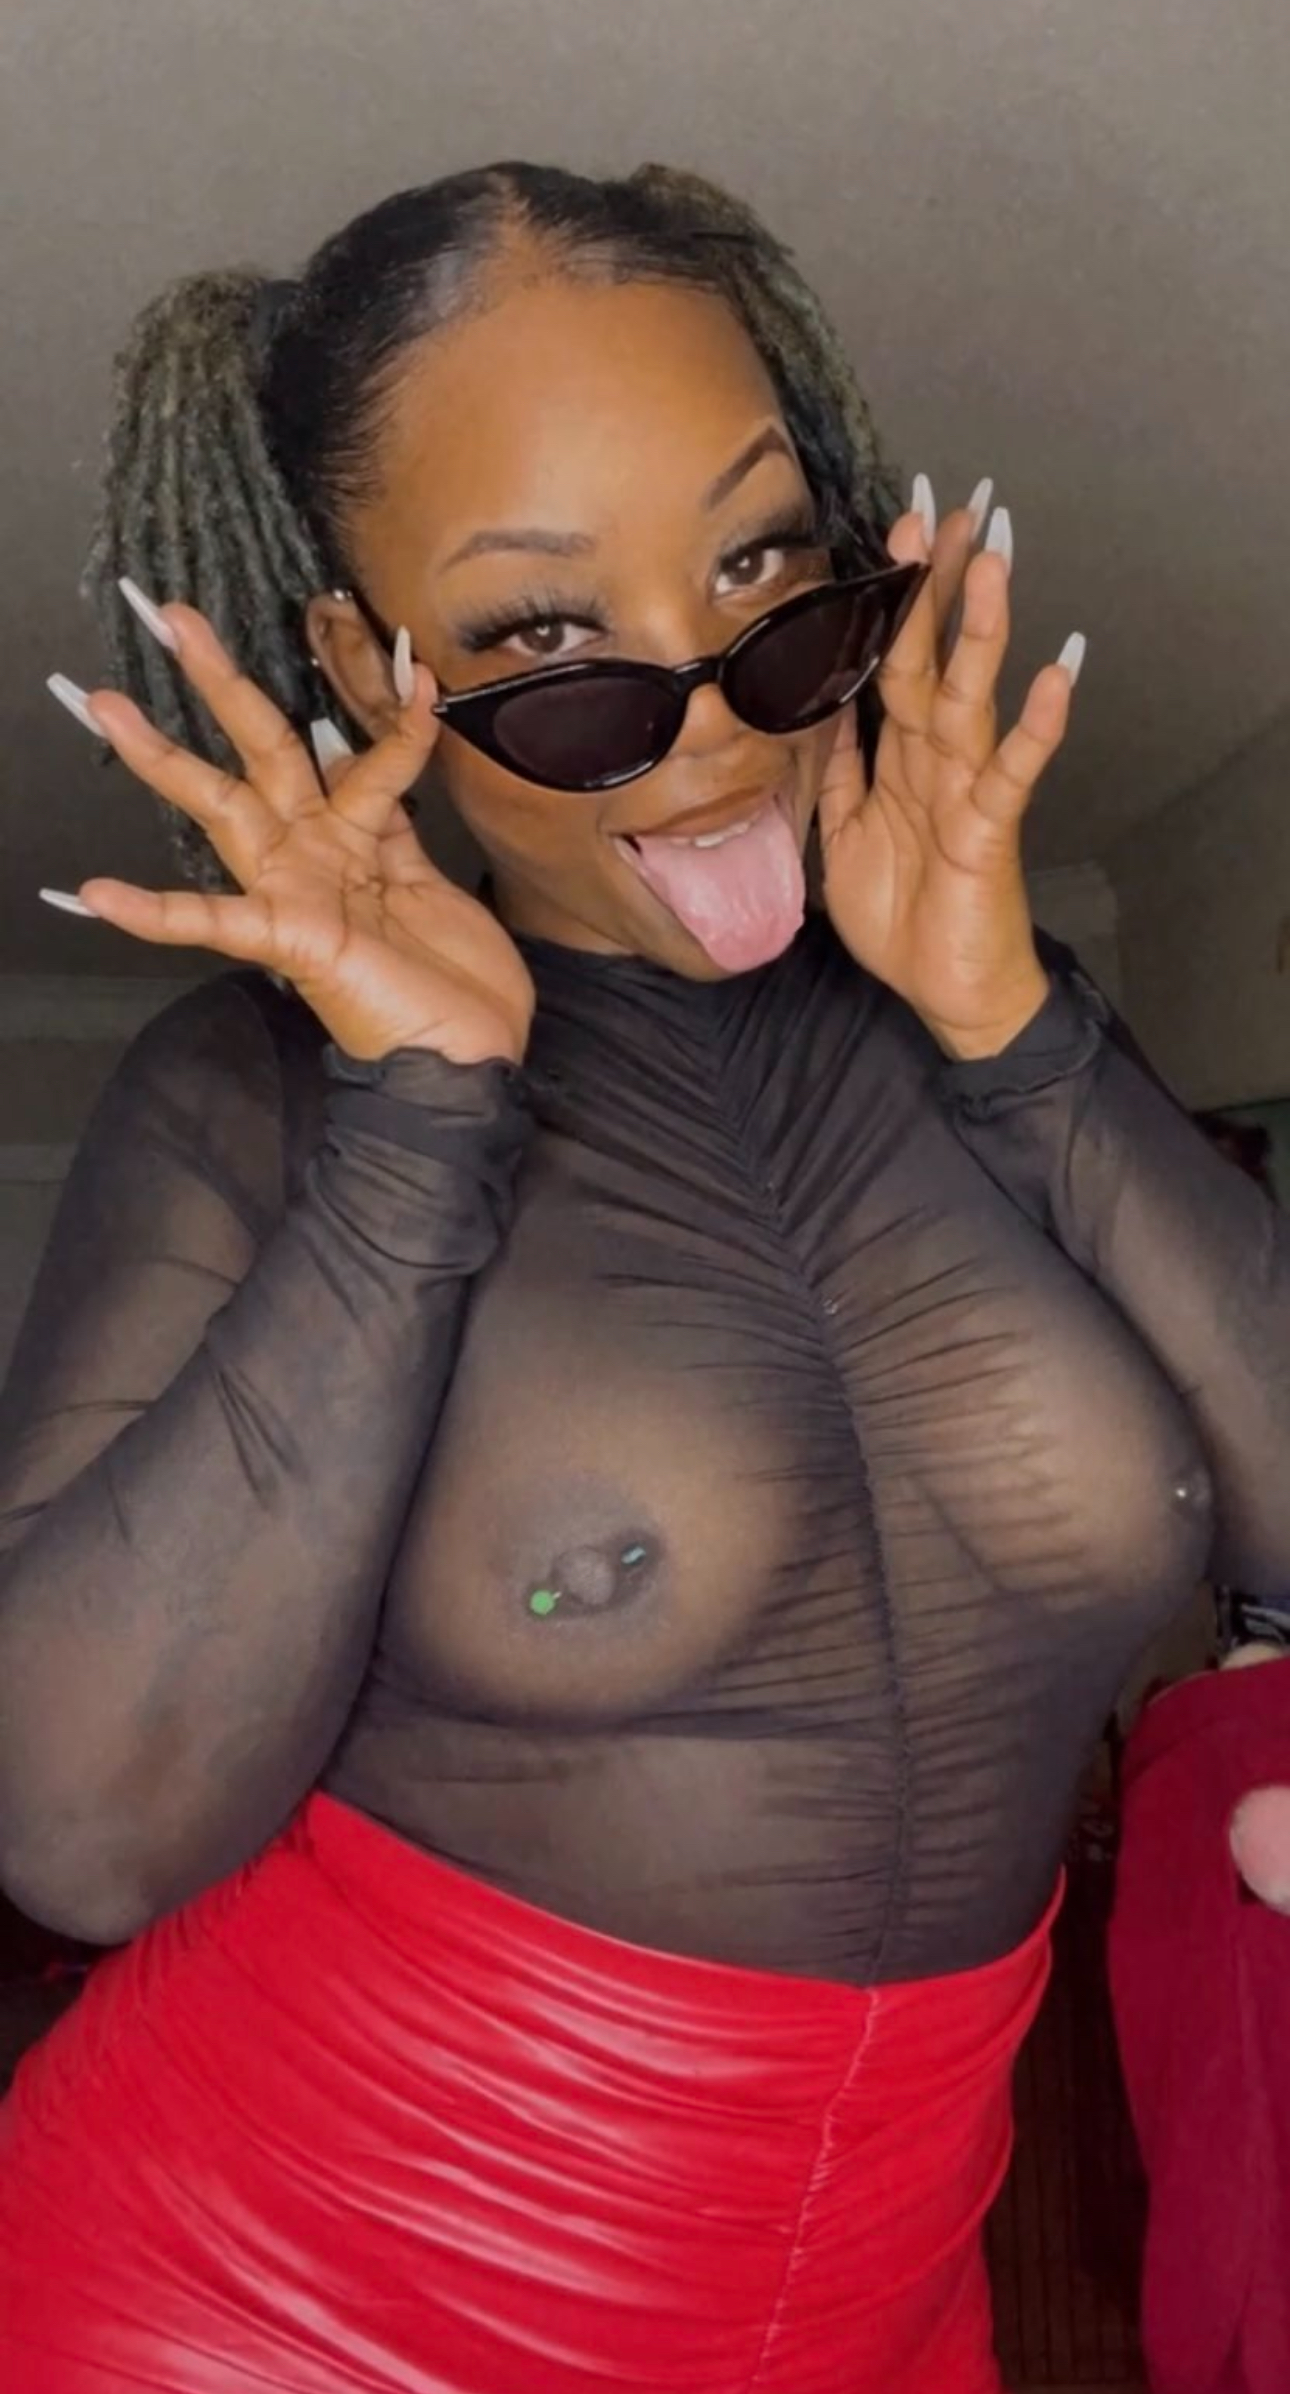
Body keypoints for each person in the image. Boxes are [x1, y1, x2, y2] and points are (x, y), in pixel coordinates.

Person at [0, 160, 1287, 2394]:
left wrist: (1018, 1029)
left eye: (763, 570)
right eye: (538, 643)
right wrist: (419, 1121)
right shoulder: (262, 1096)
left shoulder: (997, 1009)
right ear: (364, 669)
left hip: (886, 2289)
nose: (707, 727)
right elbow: (84, 1828)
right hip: (274, 2304)